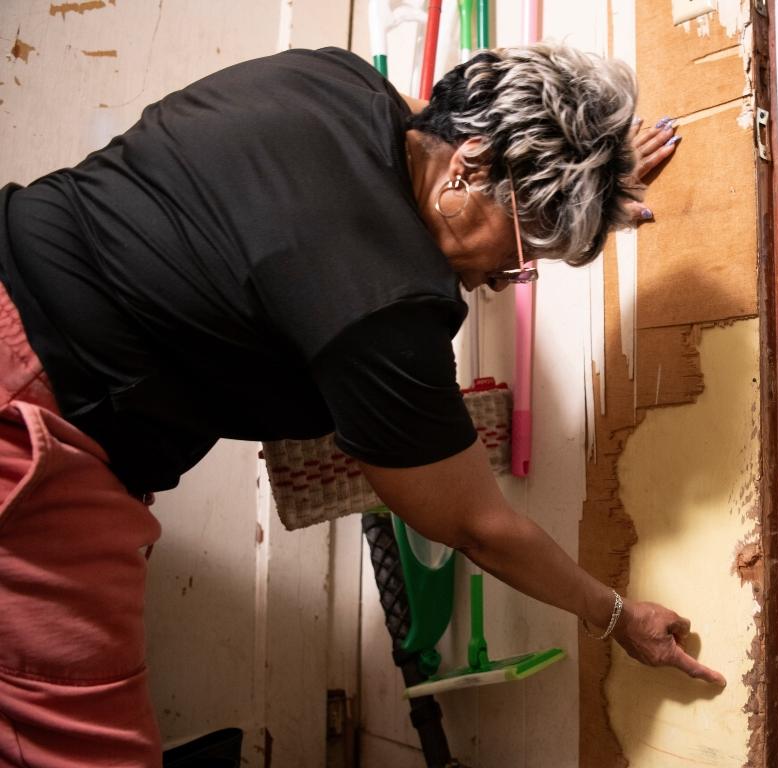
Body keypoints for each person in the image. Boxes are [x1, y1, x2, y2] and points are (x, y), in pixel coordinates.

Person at [0, 44, 721, 764]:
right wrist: (616, 614)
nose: (507, 278)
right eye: (524, 247)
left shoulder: (334, 78)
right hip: (36, 418)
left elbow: (440, 117)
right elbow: (479, 526)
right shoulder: (387, 302)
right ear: (468, 168)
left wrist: (583, 169)